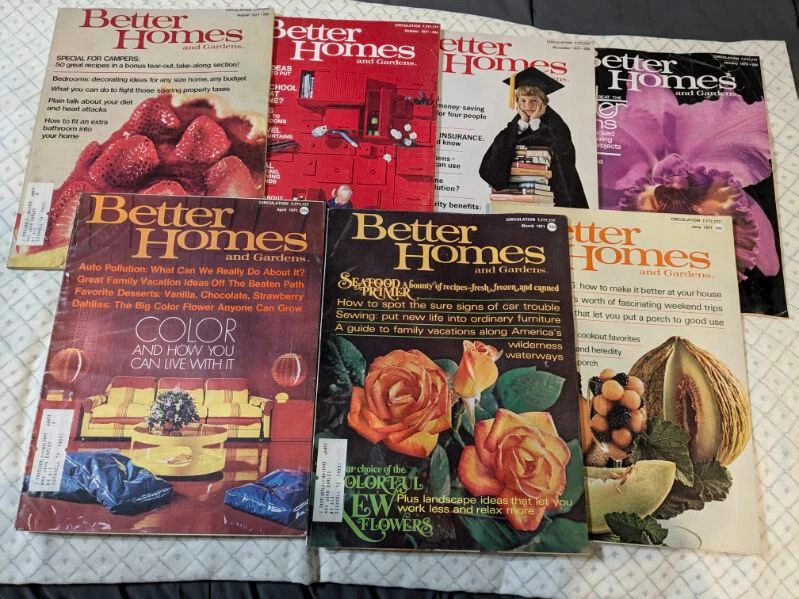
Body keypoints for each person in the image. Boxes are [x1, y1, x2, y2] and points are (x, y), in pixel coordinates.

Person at [479, 66, 588, 209]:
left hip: (550, 192)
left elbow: (562, 153)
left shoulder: (557, 125)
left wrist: (536, 124)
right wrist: (523, 123)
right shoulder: (517, 123)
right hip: (520, 189)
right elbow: (497, 152)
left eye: (534, 101)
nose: (528, 106)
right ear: (517, 102)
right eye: (523, 101)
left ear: (543, 102)